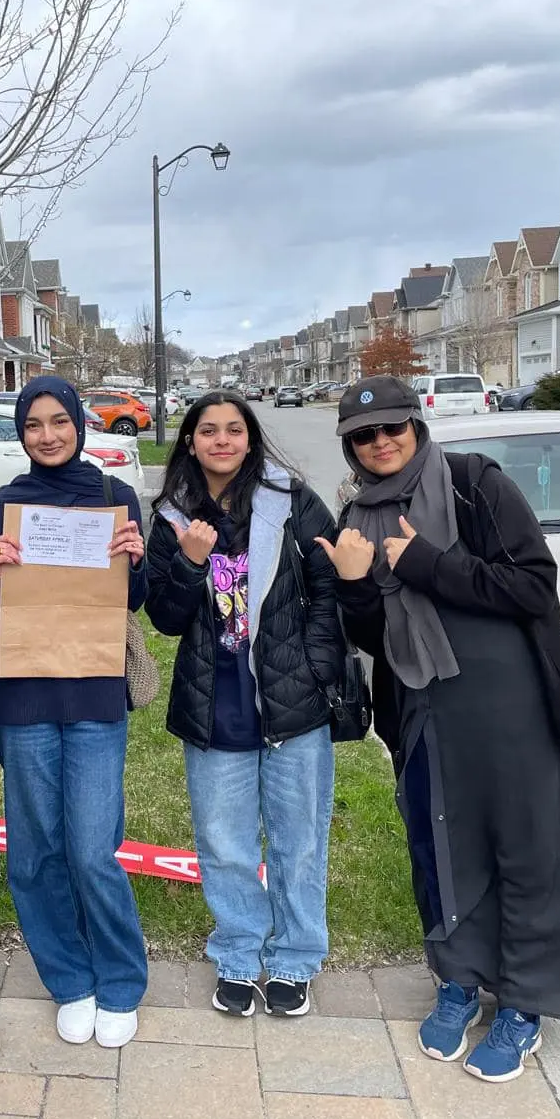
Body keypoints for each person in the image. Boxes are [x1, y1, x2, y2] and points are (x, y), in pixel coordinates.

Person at [316, 376, 560, 1084]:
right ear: (350, 447)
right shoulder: (357, 514)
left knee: (528, 848)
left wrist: (426, 564)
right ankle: (458, 978)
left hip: (512, 703)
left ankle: (525, 1002)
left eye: (392, 428)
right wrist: (354, 584)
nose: (380, 443)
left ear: (416, 426)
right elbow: (375, 636)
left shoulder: (474, 484)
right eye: (363, 435)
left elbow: (532, 585)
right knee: (444, 845)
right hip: (423, 705)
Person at [143, 390, 343, 1019]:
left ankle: (295, 958)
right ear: (191, 441)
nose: (222, 440)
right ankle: (237, 953)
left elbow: (328, 588)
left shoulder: (291, 500)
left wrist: (315, 670)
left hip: (291, 704)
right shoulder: (173, 516)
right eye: (209, 430)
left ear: (250, 438)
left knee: (298, 842)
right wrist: (189, 562)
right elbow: (165, 618)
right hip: (215, 705)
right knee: (225, 845)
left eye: (234, 429)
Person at [0, 377, 150, 1049]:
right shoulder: (5, 504)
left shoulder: (114, 497)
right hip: (24, 699)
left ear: (78, 424)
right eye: (33, 425)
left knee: (93, 849)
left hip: (95, 694)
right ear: (21, 433)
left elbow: (135, 600)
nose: (47, 435)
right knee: (35, 851)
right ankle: (70, 979)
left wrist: (136, 560)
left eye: (58, 421)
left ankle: (121, 979)